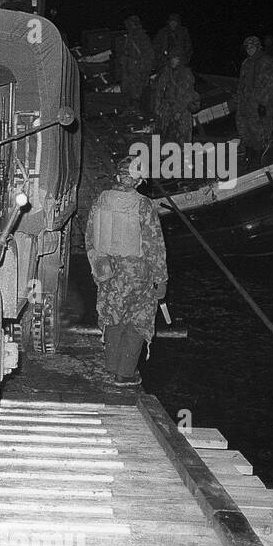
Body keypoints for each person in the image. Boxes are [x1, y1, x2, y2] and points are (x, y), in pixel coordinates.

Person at [85, 154, 167, 386]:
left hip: (106, 270)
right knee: (137, 321)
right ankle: (124, 374)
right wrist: (161, 279)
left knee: (112, 316)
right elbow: (154, 244)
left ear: (117, 176)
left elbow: (90, 238)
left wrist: (97, 267)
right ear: (140, 180)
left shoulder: (100, 200)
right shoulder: (143, 205)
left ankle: (111, 367)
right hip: (136, 273)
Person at [234, 35, 273, 166]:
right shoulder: (245, 63)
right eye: (247, 47)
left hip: (259, 103)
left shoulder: (267, 61)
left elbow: (270, 84)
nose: (249, 49)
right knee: (244, 128)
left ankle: (258, 159)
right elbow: (241, 83)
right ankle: (248, 156)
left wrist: (263, 103)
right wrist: (238, 97)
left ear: (258, 47)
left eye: (252, 46)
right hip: (245, 103)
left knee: (259, 131)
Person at [152, 49, 199, 145]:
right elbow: (159, 91)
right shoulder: (165, 72)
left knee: (183, 142)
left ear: (180, 60)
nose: (173, 61)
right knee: (165, 141)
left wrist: (178, 111)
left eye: (176, 58)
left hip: (181, 112)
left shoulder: (185, 74)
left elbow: (188, 96)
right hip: (167, 111)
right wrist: (157, 108)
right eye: (172, 58)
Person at [121, 15, 155, 109]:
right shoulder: (128, 37)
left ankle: (138, 112)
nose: (129, 26)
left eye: (131, 24)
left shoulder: (143, 38)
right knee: (127, 91)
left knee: (137, 93)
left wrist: (144, 70)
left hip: (137, 71)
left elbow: (149, 56)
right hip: (129, 70)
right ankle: (129, 109)